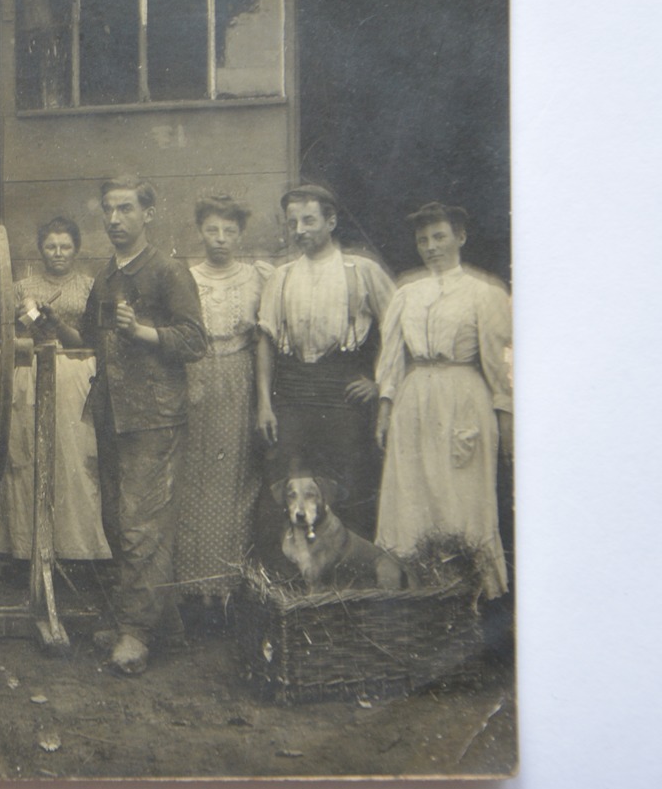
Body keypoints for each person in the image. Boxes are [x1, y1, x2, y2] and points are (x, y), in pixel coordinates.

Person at [81, 178, 208, 676]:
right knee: (117, 521)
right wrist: (45, 325)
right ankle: (162, 622)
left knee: (141, 525)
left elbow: (196, 339)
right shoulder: (104, 276)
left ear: (148, 214)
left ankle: (136, 631)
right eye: (108, 210)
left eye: (126, 209)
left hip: (154, 416)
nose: (115, 220)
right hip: (113, 413)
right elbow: (89, 336)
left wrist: (143, 332)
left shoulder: (168, 272)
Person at [374, 203, 512, 598]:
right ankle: (418, 595)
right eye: (423, 240)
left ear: (460, 238)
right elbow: (391, 359)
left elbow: (498, 362)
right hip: (414, 399)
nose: (431, 246)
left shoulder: (484, 294)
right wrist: (385, 407)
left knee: (461, 498)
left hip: (462, 398)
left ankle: (470, 596)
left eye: (439, 237)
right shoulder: (406, 293)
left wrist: (505, 417)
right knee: (411, 496)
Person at [256, 183, 395, 535]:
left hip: (343, 393)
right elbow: (266, 340)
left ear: (331, 221)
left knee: (346, 483)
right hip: (292, 394)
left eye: (308, 221)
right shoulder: (281, 276)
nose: (299, 230)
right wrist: (264, 405)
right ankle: (296, 578)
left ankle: (350, 577)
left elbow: (397, 328)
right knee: (289, 482)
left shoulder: (361, 271)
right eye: (292, 223)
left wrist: (379, 382)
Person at [0, 216, 110, 563]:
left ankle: (76, 549)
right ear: (41, 249)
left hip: (74, 372)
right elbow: (10, 338)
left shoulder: (90, 287)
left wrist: (57, 325)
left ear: (76, 250)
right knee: (27, 457)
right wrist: (32, 323)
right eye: (51, 247)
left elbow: (88, 341)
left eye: (65, 247)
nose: (58, 253)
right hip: (30, 372)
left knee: (72, 456)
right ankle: (27, 548)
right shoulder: (20, 288)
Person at [176, 196, 274, 601]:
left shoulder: (258, 277)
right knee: (191, 479)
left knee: (235, 479)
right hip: (194, 376)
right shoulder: (185, 276)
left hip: (239, 378)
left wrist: (264, 399)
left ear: (240, 234)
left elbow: (264, 340)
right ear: (200, 231)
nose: (220, 239)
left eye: (229, 231)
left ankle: (228, 586)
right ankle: (190, 588)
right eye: (212, 230)